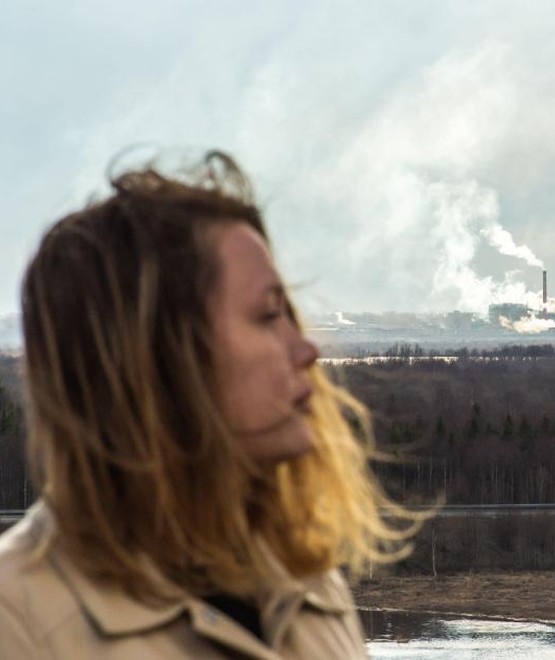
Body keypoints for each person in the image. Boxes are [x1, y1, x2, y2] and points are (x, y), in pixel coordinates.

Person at [0, 151, 416, 658]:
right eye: (267, 316)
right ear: (156, 357)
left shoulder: (303, 581)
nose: (306, 350)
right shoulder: (19, 621)